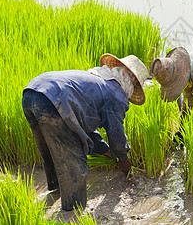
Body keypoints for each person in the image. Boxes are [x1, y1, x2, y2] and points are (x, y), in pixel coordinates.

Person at [22, 54, 149, 211]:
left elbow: (83, 128)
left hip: (32, 91)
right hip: (54, 99)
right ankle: (72, 212)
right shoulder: (116, 95)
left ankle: (56, 189)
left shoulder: (97, 79)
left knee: (50, 148)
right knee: (74, 160)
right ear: (132, 83)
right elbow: (116, 135)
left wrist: (105, 151)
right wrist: (123, 159)